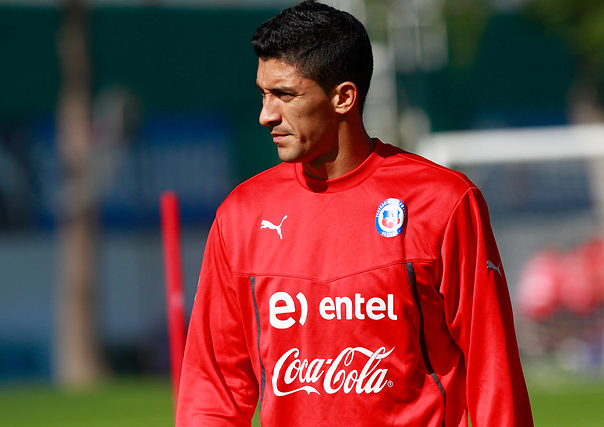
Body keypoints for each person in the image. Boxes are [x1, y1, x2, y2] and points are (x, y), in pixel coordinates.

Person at [175, 1, 533, 426]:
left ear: (344, 97)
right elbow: (214, 391)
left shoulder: (443, 202)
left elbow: (493, 372)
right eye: (263, 94)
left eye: (285, 95)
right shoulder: (242, 215)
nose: (266, 115)